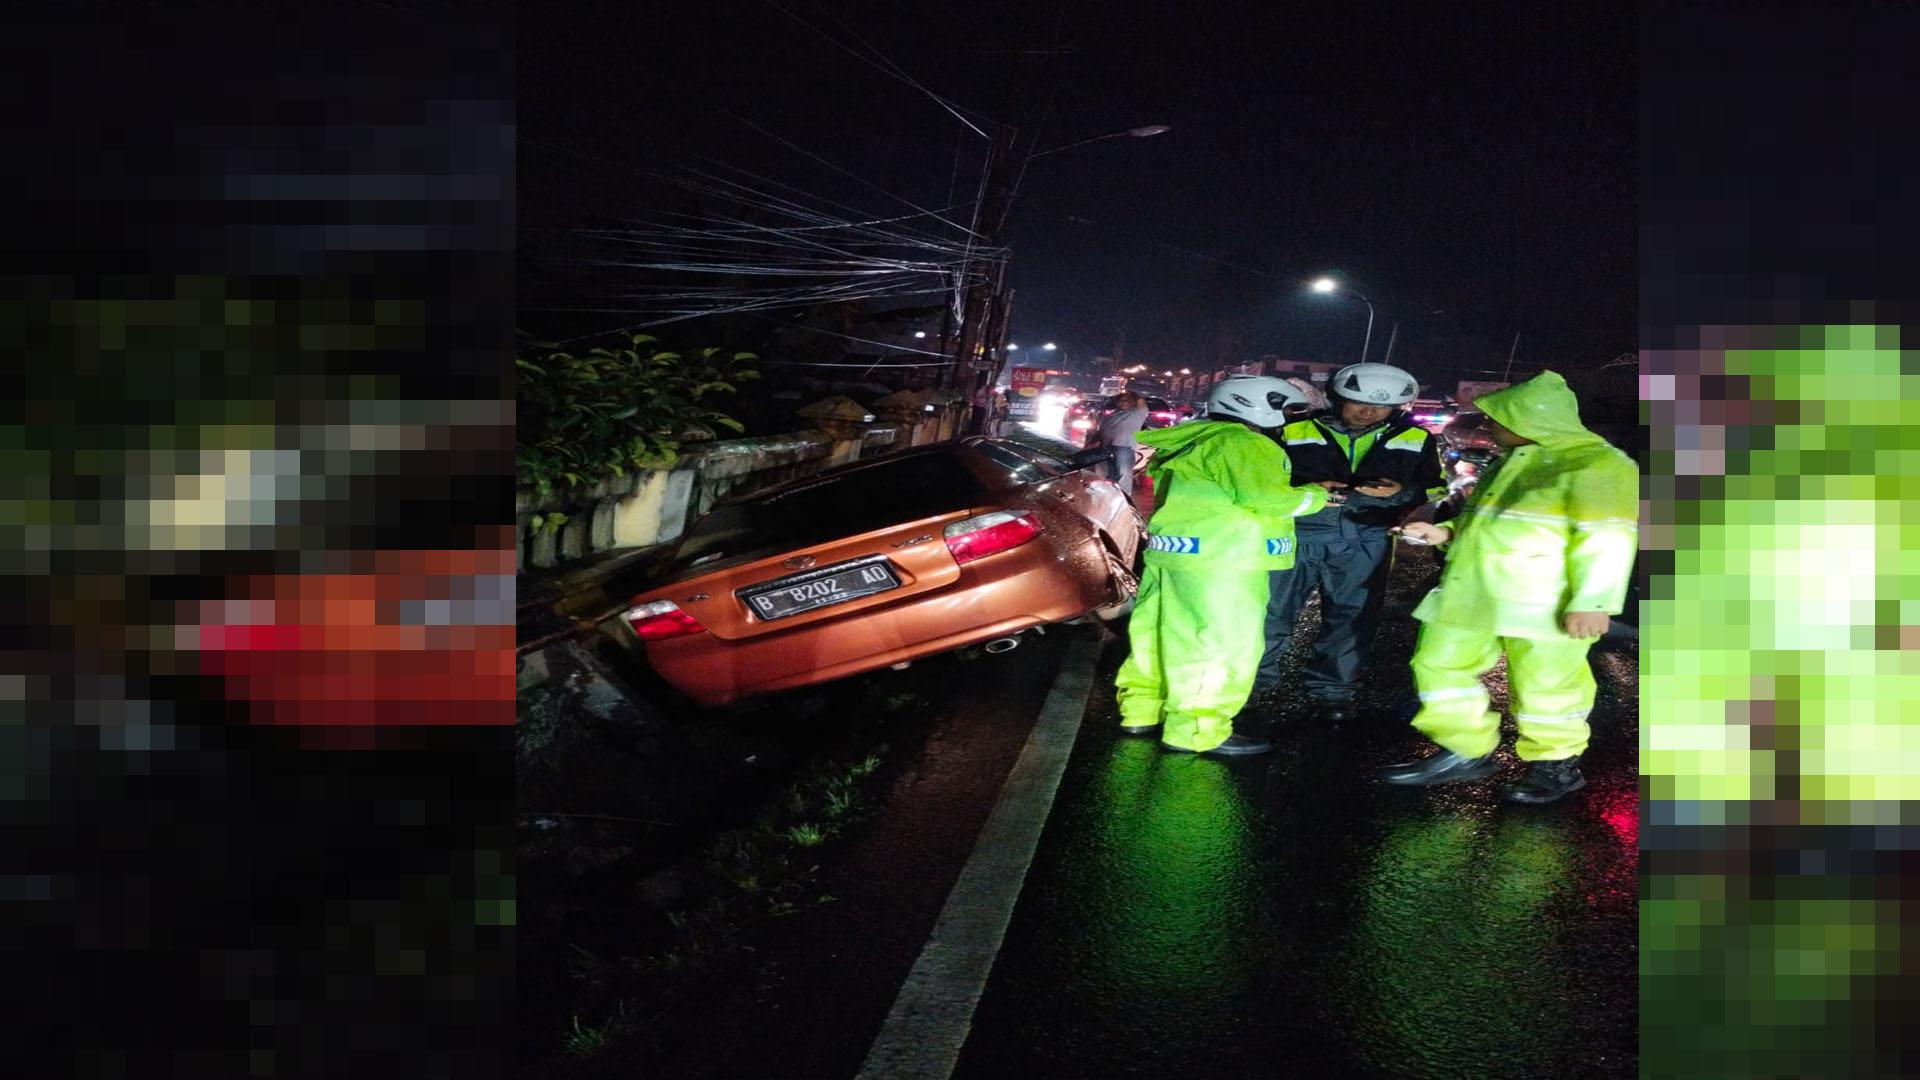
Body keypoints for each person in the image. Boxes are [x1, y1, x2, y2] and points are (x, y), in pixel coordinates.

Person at [1378, 370, 1638, 804]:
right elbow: (1486, 520)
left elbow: (1608, 537)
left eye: (1495, 421)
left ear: (1530, 421)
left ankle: (1555, 766)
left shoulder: (1598, 465)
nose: (1487, 429)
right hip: (1472, 589)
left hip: (1544, 598)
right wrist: (1445, 532)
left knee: (1546, 684)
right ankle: (1464, 748)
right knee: (1438, 663)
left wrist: (1593, 601)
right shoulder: (1512, 459)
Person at [1114, 376, 1336, 757]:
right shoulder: (1244, 442)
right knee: (1218, 646)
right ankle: (1197, 730)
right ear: (1257, 407)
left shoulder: (1194, 439)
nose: (1285, 421)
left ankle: (1141, 710)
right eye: (1284, 411)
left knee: (1156, 636)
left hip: (1175, 554)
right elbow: (1265, 499)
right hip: (1226, 560)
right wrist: (1318, 496)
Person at [1249, 363, 1448, 723]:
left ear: (1396, 407)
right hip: (1295, 534)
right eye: (1358, 403)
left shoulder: (1418, 438)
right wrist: (1307, 491)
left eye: (1380, 406)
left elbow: (1435, 486)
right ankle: (1251, 688)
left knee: (1352, 619)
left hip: (1366, 538)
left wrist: (1401, 492)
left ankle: (1332, 693)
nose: (1368, 411)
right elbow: (1263, 480)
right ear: (1338, 398)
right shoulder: (1292, 431)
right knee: (1270, 613)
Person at [1093, 392, 1149, 495]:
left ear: (1133, 403)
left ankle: (1124, 499)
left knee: (1123, 476)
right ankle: (1106, 498)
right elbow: (1101, 432)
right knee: (1104, 474)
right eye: (1121, 400)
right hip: (1105, 448)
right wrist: (1090, 444)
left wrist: (1132, 393)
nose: (1123, 402)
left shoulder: (1137, 413)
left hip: (1124, 448)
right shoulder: (1111, 415)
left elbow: (1141, 402)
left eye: (1127, 400)